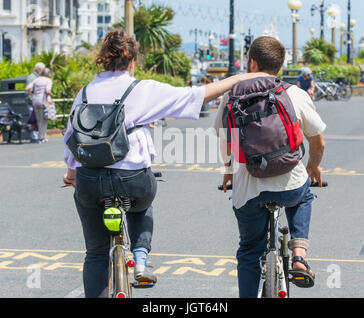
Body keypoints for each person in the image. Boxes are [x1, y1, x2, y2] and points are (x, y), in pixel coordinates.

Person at [61, 29, 268, 298]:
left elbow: (71, 137)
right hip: (132, 180)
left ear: (103, 59)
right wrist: (241, 77)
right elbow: (197, 95)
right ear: (132, 61)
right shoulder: (142, 89)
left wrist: (71, 173)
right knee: (142, 204)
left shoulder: (85, 92)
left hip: (90, 180)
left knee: (96, 252)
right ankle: (140, 258)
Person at [214, 36, 326, 298]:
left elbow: (226, 141)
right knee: (304, 194)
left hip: (248, 189)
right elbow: (318, 141)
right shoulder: (294, 94)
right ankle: (299, 255)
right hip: (289, 182)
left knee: (249, 250)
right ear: (280, 65)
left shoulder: (231, 96)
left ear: (251, 62)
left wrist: (229, 171)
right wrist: (313, 166)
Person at [25, 68, 53, 143]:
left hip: (35, 101)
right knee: (44, 120)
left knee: (39, 120)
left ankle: (41, 137)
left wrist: (32, 94)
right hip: (43, 101)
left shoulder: (36, 80)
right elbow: (47, 90)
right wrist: (51, 94)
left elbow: (27, 88)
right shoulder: (48, 80)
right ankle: (41, 138)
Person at [26, 62, 46, 142]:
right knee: (33, 119)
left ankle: (39, 137)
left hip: (37, 102)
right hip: (33, 102)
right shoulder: (32, 78)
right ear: (38, 69)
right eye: (43, 69)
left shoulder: (38, 77)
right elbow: (28, 91)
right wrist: (34, 99)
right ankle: (34, 137)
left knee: (38, 119)